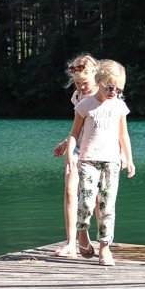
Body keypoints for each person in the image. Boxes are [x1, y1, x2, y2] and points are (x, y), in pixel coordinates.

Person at [66, 59, 136, 266]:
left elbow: (124, 135)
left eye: (120, 89)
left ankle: (105, 248)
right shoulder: (85, 105)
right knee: (86, 201)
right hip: (88, 161)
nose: (115, 92)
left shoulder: (119, 106)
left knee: (107, 207)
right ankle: (82, 232)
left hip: (111, 162)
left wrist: (128, 158)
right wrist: (70, 155)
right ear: (100, 81)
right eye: (111, 87)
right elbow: (74, 134)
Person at [53, 54, 100, 258]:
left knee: (97, 198)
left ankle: (102, 242)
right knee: (71, 192)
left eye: (85, 83)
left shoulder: (106, 95)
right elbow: (77, 127)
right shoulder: (77, 97)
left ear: (96, 76)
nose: (81, 87)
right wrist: (67, 143)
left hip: (99, 150)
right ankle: (72, 243)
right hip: (77, 148)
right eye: (78, 83)